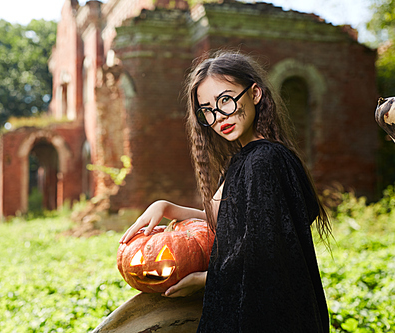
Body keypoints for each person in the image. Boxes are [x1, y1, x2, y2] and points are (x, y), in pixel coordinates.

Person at [119, 50, 331, 332]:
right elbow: (231, 222)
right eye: (207, 109)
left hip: (269, 317)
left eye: (226, 100)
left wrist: (206, 279)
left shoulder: (264, 160)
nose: (219, 117)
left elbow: (268, 248)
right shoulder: (243, 160)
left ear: (255, 93)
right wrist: (167, 207)